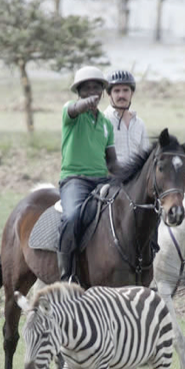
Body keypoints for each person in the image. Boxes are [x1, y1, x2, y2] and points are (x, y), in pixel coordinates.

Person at [58, 66, 120, 282]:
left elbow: (112, 161)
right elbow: (76, 109)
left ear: (103, 91)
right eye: (87, 88)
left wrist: (128, 179)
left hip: (102, 180)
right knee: (72, 216)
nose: (93, 91)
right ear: (79, 92)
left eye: (97, 87)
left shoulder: (105, 124)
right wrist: (86, 103)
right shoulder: (71, 113)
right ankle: (67, 274)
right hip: (75, 179)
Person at [103, 70, 150, 165]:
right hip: (110, 177)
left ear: (131, 93)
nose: (121, 95)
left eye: (125, 90)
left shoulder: (139, 124)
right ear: (109, 94)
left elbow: (145, 157)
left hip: (136, 177)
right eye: (116, 91)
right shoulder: (102, 121)